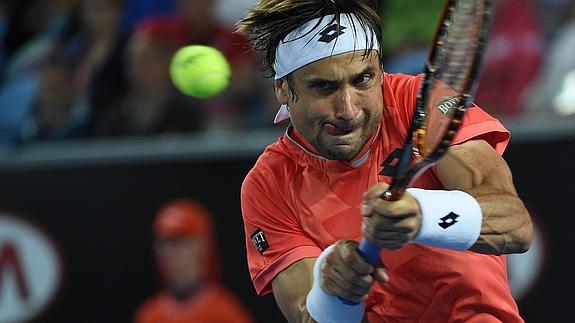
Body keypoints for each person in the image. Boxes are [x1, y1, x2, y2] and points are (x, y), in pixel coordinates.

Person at [237, 0, 533, 322]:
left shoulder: (421, 104)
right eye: (324, 87)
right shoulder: (268, 184)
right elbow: (305, 313)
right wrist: (333, 288)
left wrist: (421, 214)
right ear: (283, 88)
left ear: (380, 70)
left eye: (362, 80)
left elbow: (515, 226)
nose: (348, 110)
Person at [134, 199, 253, 323]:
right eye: (163, 244)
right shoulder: (148, 316)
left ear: (202, 246)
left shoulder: (226, 314)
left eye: (178, 241)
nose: (168, 252)